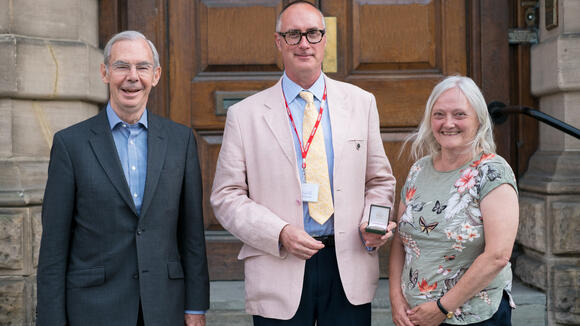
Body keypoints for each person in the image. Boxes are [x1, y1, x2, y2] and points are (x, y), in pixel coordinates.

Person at [210, 1, 396, 325]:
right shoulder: (245, 115)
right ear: (279, 42)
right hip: (278, 264)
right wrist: (279, 232)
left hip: (346, 264)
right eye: (293, 34)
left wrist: (374, 222)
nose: (304, 43)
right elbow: (226, 196)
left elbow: (379, 181)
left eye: (312, 33)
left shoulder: (361, 103)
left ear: (325, 40)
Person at [36, 30, 209, 326]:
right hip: (93, 309)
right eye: (121, 66)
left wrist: (196, 307)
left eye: (142, 67)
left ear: (155, 75)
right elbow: (54, 246)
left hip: (164, 306)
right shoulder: (70, 144)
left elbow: (191, 233)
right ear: (105, 73)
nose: (132, 77)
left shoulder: (181, 141)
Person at [389, 75, 519, 326]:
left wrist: (442, 308)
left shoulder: (492, 172)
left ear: (479, 119)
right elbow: (400, 239)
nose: (448, 123)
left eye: (460, 114)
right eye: (439, 114)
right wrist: (396, 297)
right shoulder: (419, 170)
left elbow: (497, 255)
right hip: (415, 316)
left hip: (473, 317)